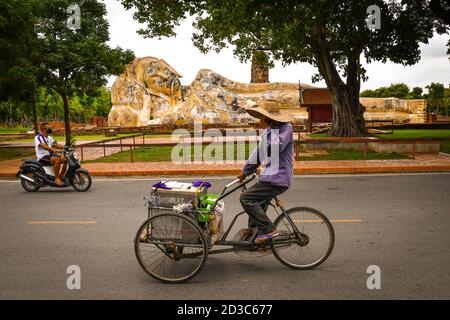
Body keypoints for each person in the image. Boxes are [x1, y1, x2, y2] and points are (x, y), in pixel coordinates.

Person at [238, 105, 294, 244]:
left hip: (278, 178)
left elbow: (276, 147)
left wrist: (269, 132)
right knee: (256, 204)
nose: (259, 121)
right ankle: (254, 236)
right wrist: (245, 171)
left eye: (262, 117)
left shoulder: (286, 128)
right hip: (269, 177)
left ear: (269, 119)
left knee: (246, 198)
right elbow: (259, 153)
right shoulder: (269, 131)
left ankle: (269, 229)